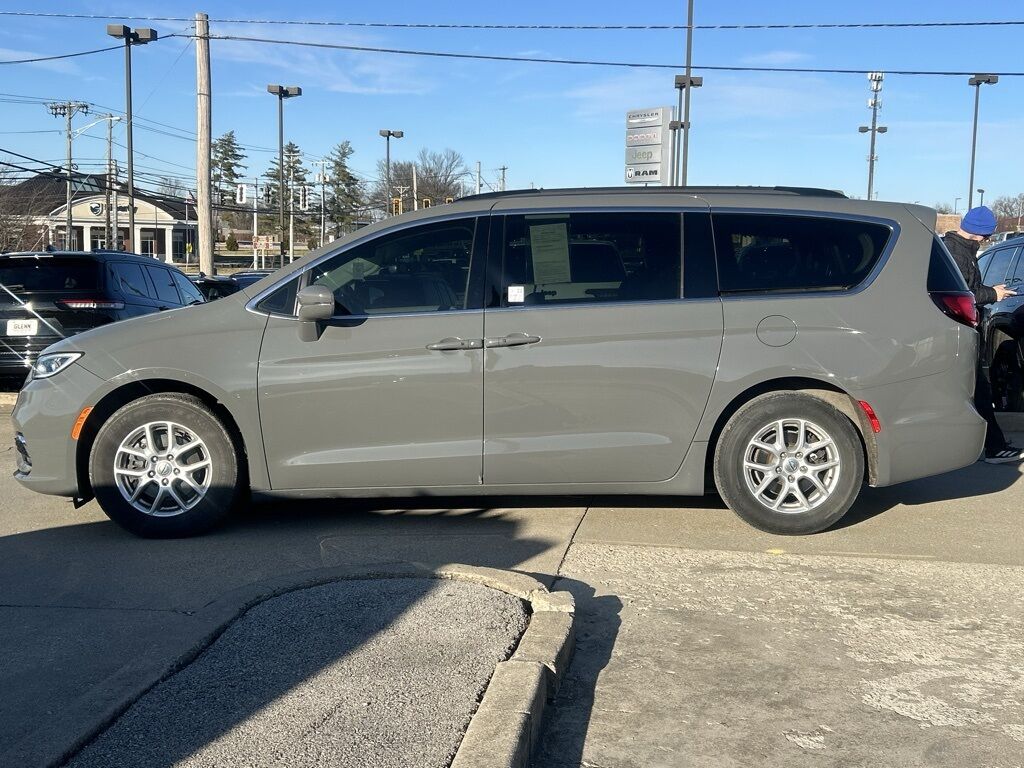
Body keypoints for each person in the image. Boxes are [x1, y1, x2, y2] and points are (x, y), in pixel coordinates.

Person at [943, 206, 1024, 464]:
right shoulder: (959, 253)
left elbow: (969, 288)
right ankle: (994, 448)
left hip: (957, 331)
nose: (987, 241)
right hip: (961, 331)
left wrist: (990, 290)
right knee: (978, 389)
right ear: (981, 234)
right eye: (988, 236)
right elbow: (964, 293)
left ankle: (991, 446)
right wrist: (994, 295)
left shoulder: (953, 249)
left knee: (976, 389)